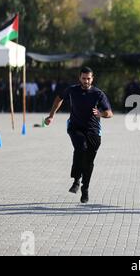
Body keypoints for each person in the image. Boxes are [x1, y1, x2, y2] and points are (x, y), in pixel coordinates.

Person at [45, 67, 113, 203]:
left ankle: (85, 189)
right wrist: (51, 115)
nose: (86, 81)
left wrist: (101, 114)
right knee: (80, 147)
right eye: (84, 78)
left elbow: (109, 113)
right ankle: (76, 180)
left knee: (89, 161)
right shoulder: (72, 90)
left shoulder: (98, 94)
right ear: (79, 78)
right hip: (75, 127)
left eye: (88, 78)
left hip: (93, 130)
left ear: (92, 79)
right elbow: (59, 99)